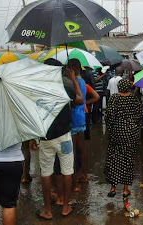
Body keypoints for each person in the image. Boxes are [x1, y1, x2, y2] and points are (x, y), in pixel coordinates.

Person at [32, 58, 83, 219]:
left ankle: (47, 210)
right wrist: (74, 80)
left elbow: (33, 114)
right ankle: (65, 207)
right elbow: (80, 100)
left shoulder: (37, 89)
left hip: (45, 137)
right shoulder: (66, 86)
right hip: (64, 136)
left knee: (46, 173)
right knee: (67, 170)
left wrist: (33, 136)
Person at [104, 79, 143, 198]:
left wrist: (111, 130)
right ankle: (126, 189)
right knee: (128, 160)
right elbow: (140, 115)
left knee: (114, 159)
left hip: (117, 133)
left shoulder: (114, 98)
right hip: (131, 133)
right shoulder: (134, 99)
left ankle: (113, 187)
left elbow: (109, 116)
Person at [67, 58, 89, 188]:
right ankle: (84, 174)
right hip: (81, 118)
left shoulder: (73, 83)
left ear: (72, 69)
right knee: (82, 149)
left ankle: (74, 179)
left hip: (73, 119)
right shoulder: (83, 81)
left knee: (73, 151)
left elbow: (75, 101)